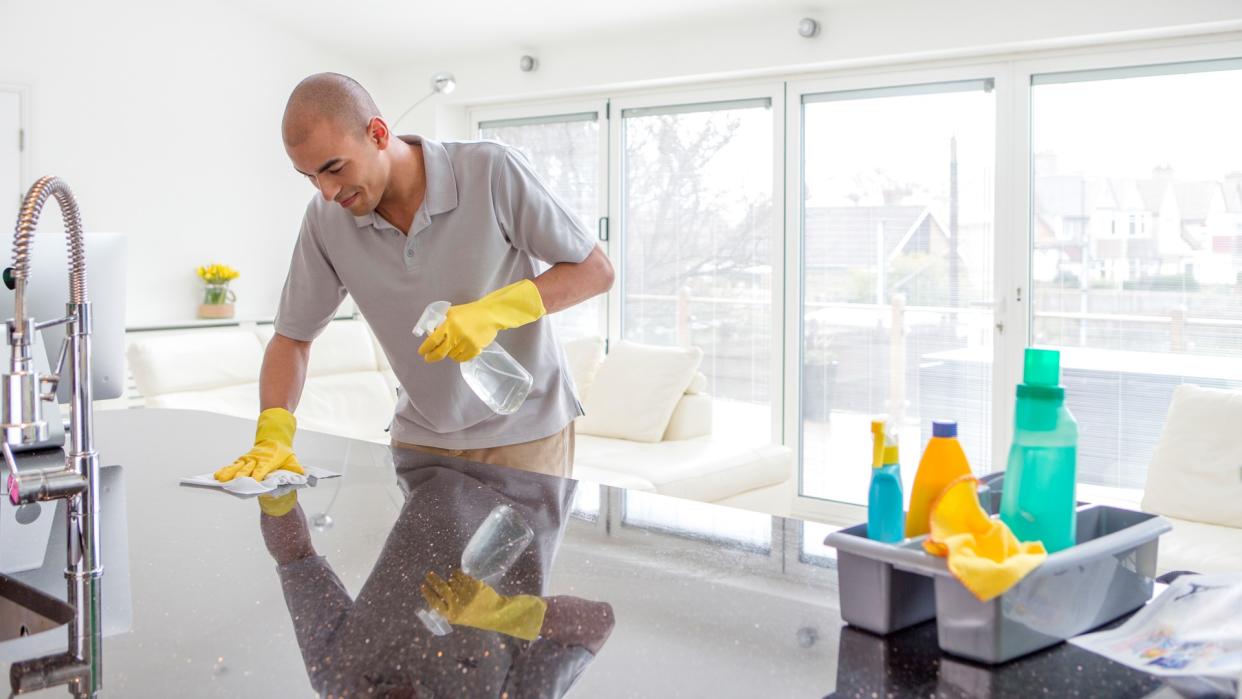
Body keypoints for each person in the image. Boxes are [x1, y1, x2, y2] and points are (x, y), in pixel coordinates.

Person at [214, 72, 613, 486]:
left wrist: (492, 313)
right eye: (311, 177)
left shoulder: (490, 170)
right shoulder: (325, 219)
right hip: (420, 439)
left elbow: (595, 271)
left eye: (334, 168)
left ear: (378, 133)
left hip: (524, 430)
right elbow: (292, 338)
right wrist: (273, 435)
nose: (327, 191)